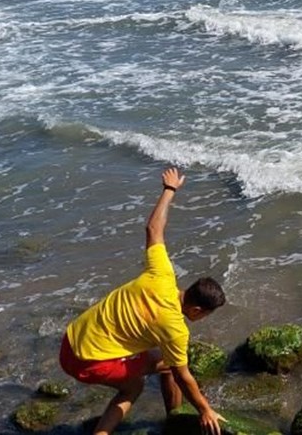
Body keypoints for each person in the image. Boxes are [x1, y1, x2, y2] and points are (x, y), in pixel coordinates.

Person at [60, 168, 226, 435]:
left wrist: (169, 190)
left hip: (69, 342)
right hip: (87, 363)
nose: (203, 319)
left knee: (161, 359)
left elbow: (153, 228)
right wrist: (205, 409)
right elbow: (184, 377)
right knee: (145, 380)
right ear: (196, 310)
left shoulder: (161, 273)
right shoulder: (175, 329)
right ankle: (114, 431)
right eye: (206, 315)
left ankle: (172, 418)